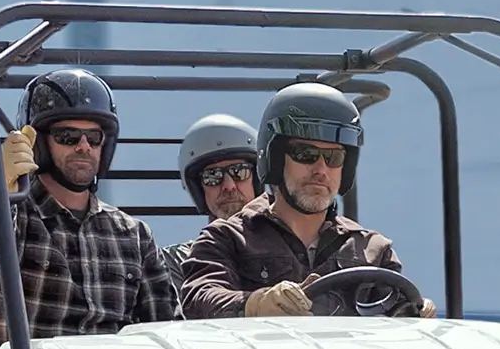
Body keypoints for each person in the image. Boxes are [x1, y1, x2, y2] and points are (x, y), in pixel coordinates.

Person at [0, 68, 181, 340]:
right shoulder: (16, 218)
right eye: (68, 136)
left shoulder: (134, 235)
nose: (84, 146)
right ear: (38, 144)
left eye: (94, 137)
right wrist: (1, 188)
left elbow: (167, 326)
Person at [177, 82, 413, 318]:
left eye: (334, 157)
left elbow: (399, 325)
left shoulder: (372, 249)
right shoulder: (227, 239)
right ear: (276, 160)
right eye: (305, 154)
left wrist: (417, 316)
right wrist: (255, 304)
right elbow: (199, 298)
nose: (321, 169)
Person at [174, 113, 260, 231]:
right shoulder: (190, 250)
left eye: (239, 171)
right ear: (198, 188)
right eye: (213, 176)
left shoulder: (291, 246)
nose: (229, 186)